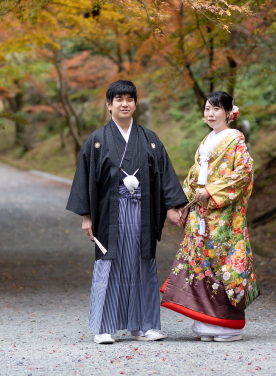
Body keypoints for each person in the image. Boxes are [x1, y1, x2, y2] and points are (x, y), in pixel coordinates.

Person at [66, 80, 187, 344]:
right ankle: (103, 327)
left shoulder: (150, 139)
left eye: (129, 99)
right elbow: (85, 179)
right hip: (110, 212)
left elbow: (164, 175)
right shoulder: (97, 141)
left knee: (143, 264)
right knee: (109, 264)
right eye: (118, 99)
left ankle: (145, 325)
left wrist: (170, 206)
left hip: (142, 211)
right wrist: (87, 216)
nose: (124, 104)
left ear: (134, 104)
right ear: (108, 105)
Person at [160, 91, 258, 342]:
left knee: (222, 264)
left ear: (228, 112)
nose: (210, 114)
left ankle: (228, 326)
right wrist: (182, 204)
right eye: (207, 109)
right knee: (201, 264)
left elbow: (244, 173)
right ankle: (206, 323)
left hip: (224, 214)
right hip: (201, 212)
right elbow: (194, 177)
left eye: (216, 109)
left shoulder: (235, 139)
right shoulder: (206, 141)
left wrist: (212, 191)